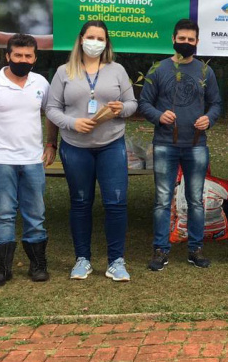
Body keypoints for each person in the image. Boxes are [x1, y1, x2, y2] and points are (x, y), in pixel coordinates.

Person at [45, 21, 138, 282]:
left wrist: (122, 109)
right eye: (91, 37)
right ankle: (82, 259)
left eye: (100, 38)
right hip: (75, 147)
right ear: (81, 39)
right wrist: (72, 123)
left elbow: (132, 103)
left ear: (106, 43)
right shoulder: (64, 71)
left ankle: (116, 261)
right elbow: (51, 109)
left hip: (111, 144)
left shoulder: (117, 70)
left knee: (116, 203)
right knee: (80, 202)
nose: (95, 42)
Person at [0, 34, 57, 288]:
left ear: (35, 58)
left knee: (36, 214)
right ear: (7, 56)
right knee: (4, 213)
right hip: (1, 160)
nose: (23, 60)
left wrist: (51, 143)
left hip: (33, 160)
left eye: (28, 56)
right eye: (18, 55)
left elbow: (50, 114)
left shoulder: (41, 83)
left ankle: (38, 265)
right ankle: (3, 269)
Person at [139, 19, 222, 271]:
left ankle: (195, 248)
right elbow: (144, 103)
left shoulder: (205, 71)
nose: (186, 43)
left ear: (197, 42)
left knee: (195, 200)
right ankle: (160, 249)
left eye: (190, 39)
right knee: (163, 200)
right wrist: (158, 116)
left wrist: (209, 118)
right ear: (173, 39)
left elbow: (216, 103)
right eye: (182, 39)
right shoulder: (158, 69)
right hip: (165, 144)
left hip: (196, 145)